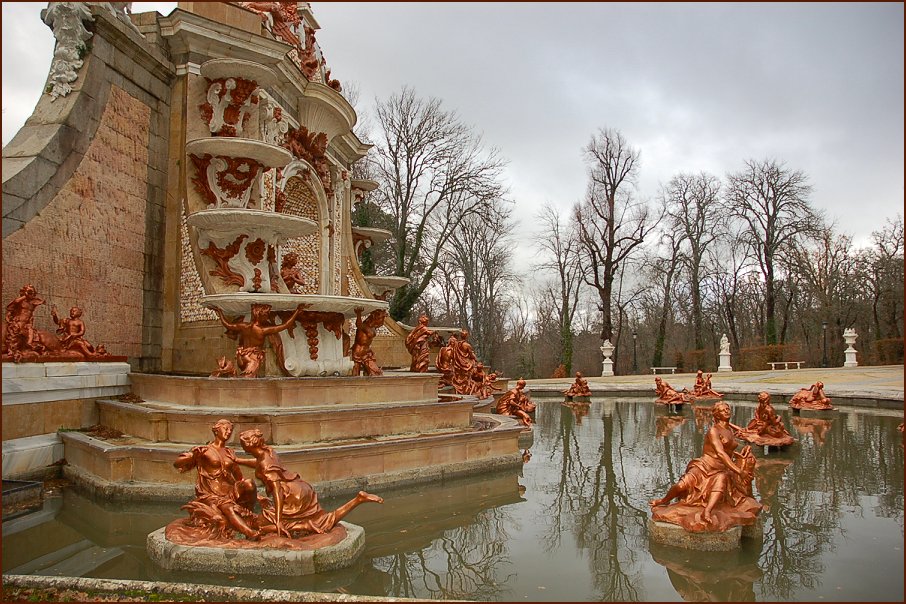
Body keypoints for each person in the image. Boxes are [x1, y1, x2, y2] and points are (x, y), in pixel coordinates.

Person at [237, 428, 382, 538]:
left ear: (248, 446)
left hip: (292, 497)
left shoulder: (265, 465)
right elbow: (258, 463)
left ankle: (357, 500)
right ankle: (358, 500)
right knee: (321, 519)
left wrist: (278, 520)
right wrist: (238, 460)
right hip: (301, 487)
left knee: (266, 525)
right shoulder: (268, 452)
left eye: (243, 445)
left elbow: (277, 491)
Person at [649, 401, 761, 531]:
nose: (727, 411)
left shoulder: (729, 430)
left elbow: (730, 450)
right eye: (723, 410)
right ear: (717, 415)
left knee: (722, 479)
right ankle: (664, 500)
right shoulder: (713, 431)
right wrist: (739, 471)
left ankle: (707, 511)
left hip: (721, 469)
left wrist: (744, 451)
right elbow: (720, 453)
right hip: (704, 467)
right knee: (681, 486)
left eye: (727, 409)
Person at [173, 419, 260, 540]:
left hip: (229, 491)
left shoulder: (229, 452)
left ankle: (248, 514)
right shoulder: (204, 450)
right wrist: (192, 456)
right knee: (228, 507)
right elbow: (177, 464)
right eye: (225, 429)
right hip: (212, 494)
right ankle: (250, 533)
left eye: (230, 430)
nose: (228, 432)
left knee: (249, 483)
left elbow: (239, 477)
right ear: (216, 430)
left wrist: (254, 494)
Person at [214, 303, 305, 377]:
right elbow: (285, 325)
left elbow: (227, 325)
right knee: (248, 382)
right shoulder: (262, 330)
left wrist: (219, 312)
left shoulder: (243, 326)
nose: (267, 317)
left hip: (241, 355)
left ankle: (229, 372)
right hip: (253, 358)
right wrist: (297, 311)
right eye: (266, 315)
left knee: (243, 380)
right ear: (260, 316)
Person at [4, 284, 46, 355]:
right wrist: (25, 296)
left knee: (31, 333)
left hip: (27, 324)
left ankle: (29, 345)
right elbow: (14, 303)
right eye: (29, 292)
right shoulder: (20, 301)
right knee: (15, 333)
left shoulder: (32, 303)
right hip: (18, 322)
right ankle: (12, 349)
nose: (31, 294)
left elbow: (39, 301)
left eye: (32, 292)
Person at [350, 307, 387, 376]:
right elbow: (358, 325)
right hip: (358, 352)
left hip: (367, 353)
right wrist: (358, 313)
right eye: (382, 319)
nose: (382, 322)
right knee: (356, 373)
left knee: (375, 373)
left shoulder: (373, 327)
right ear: (375, 318)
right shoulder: (364, 325)